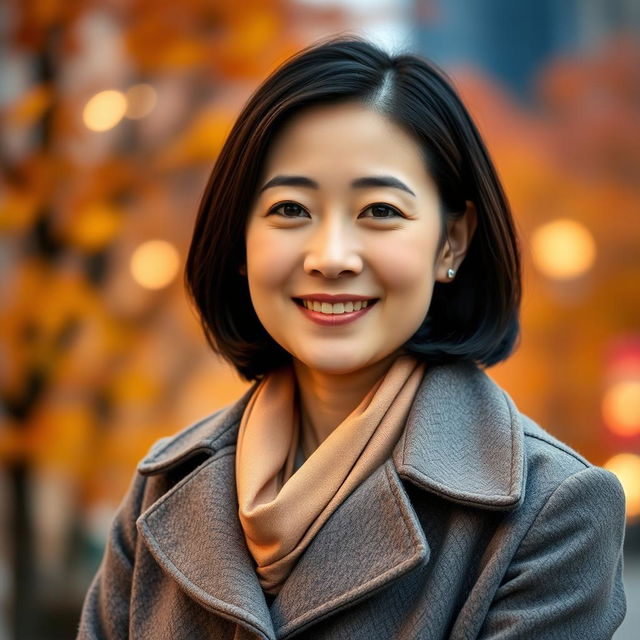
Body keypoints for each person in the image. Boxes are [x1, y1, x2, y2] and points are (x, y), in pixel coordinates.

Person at [76, 36, 627, 639]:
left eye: (380, 211)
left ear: (452, 242)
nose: (332, 256)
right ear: (240, 242)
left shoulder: (555, 510)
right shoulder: (161, 489)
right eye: (290, 209)